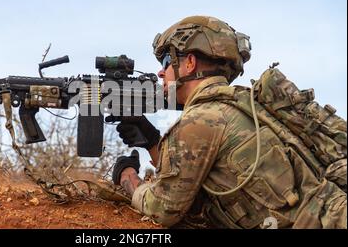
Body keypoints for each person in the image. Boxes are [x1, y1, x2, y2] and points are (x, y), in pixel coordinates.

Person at [109, 16, 347, 229]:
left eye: (166, 62)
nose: (161, 73)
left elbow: (162, 208)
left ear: (190, 63)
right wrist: (152, 141)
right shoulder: (243, 104)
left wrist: (128, 177)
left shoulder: (201, 120)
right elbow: (199, 175)